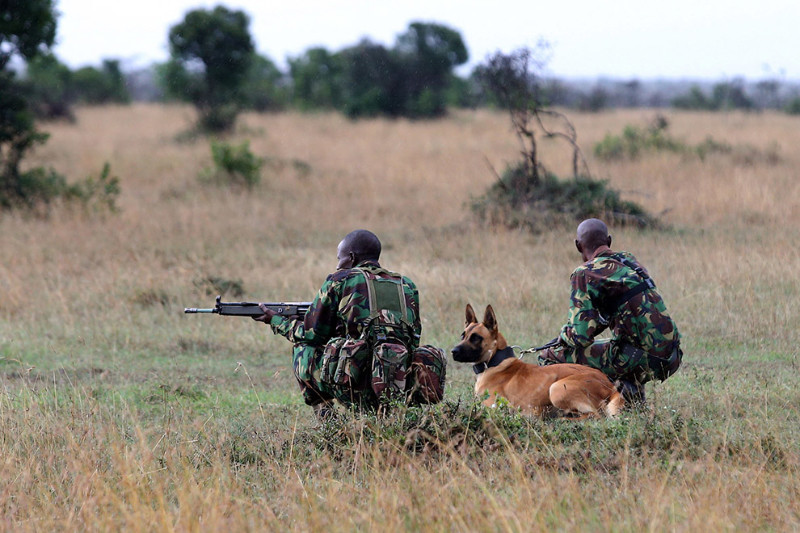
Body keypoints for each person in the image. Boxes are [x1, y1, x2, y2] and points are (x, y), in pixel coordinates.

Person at [253, 229, 445, 418]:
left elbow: (311, 334)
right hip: (401, 385)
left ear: (351, 257)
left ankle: (327, 420)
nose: (338, 266)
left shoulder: (340, 280)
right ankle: (394, 415)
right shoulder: (407, 284)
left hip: (355, 385)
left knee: (304, 348)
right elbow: (414, 339)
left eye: (340, 258)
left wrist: (275, 320)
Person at [537, 218, 682, 404]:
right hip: (672, 355)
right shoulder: (629, 261)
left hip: (642, 358)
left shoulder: (584, 273)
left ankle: (583, 409)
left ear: (578, 246)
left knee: (550, 355)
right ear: (609, 241)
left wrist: (561, 337)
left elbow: (580, 337)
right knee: (619, 345)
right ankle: (630, 397)